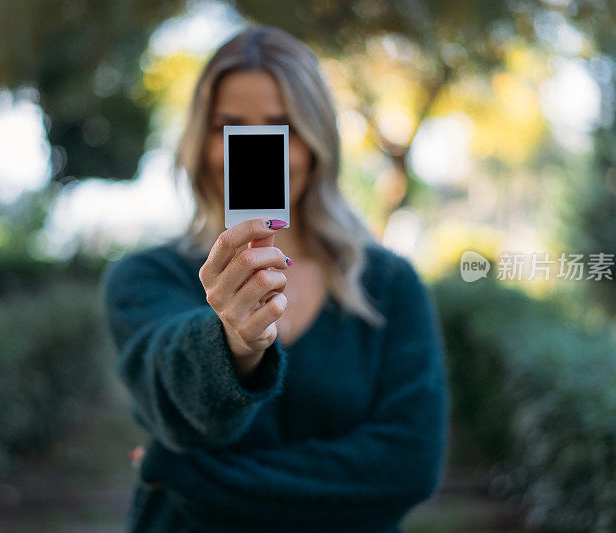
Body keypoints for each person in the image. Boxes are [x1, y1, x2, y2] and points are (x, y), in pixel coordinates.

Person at [100, 24, 449, 533]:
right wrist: (233, 343)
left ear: (315, 142)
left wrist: (186, 475)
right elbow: (173, 400)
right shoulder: (146, 277)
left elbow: (405, 470)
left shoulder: (389, 286)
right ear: (200, 142)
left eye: (281, 127)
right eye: (229, 127)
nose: (257, 148)